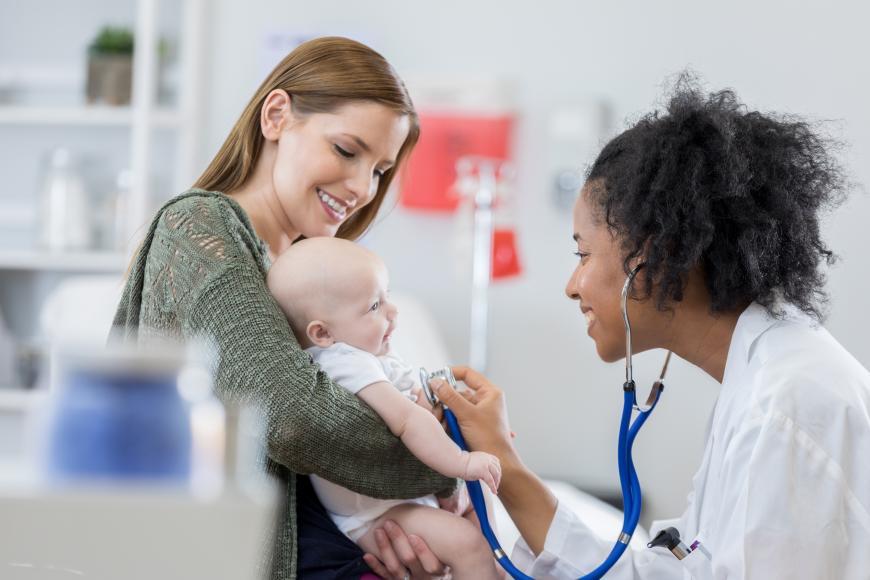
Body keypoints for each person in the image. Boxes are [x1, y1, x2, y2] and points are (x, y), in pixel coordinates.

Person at [365, 78, 870, 579]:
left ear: (654, 256)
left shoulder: (787, 407)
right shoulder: (760, 380)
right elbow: (669, 572)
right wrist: (504, 469)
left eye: (583, 254)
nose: (572, 285)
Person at [110, 36, 463, 579]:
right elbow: (291, 419)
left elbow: (351, 411)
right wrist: (448, 459)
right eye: (347, 151)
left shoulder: (310, 270)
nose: (361, 187)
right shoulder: (198, 230)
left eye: (378, 170)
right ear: (276, 115)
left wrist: (389, 526)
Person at [267, 236, 503, 579]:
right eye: (374, 306)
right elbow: (406, 420)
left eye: (387, 296)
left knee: (482, 519)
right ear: (322, 333)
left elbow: (418, 395)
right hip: (371, 515)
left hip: (397, 499)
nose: (393, 312)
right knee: (467, 544)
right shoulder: (340, 362)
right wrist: (462, 463)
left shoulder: (370, 355)